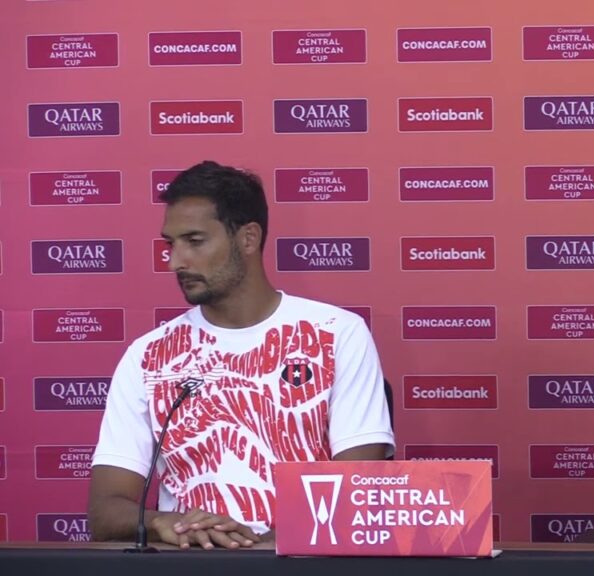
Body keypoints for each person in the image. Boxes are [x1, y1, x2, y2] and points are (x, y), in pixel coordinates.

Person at [88, 161, 394, 549]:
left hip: (305, 567)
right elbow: (104, 510)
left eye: (194, 241)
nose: (175, 261)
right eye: (171, 243)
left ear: (248, 239)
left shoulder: (336, 334)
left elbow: (359, 490)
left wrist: (261, 548)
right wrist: (166, 522)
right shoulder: (148, 355)